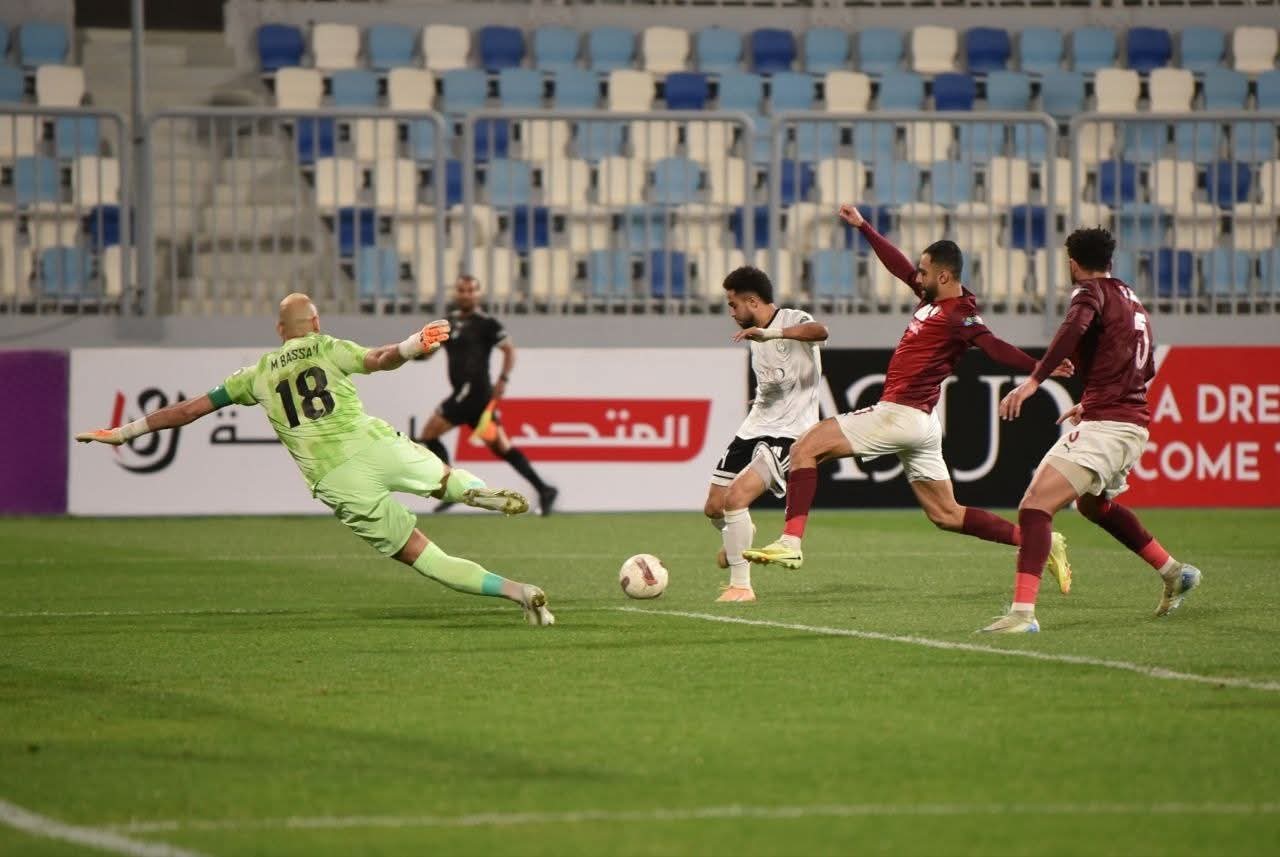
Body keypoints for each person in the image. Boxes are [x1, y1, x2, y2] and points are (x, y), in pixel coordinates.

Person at [75, 293, 555, 627]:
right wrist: (412, 346)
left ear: (279, 331)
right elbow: (380, 358)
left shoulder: (255, 375)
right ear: (317, 324)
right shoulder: (329, 348)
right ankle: (475, 492)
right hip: (372, 443)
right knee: (444, 478)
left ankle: (517, 591)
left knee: (425, 557)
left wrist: (124, 432)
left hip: (335, 477)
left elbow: (189, 410)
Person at [744, 204, 1074, 589]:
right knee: (947, 514)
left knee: (805, 447)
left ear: (944, 276)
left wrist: (1040, 367)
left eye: (924, 271)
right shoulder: (931, 299)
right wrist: (864, 227)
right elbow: (899, 266)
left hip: (900, 414)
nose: (917, 276)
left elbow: (994, 347)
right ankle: (1040, 541)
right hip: (921, 422)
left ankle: (790, 543)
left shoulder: (959, 315)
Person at [984, 227, 1201, 633]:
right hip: (1129, 421)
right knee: (1092, 505)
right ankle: (1174, 572)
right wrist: (1093, 400)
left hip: (1111, 425)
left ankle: (1023, 614)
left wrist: (1034, 381)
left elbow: (1072, 329)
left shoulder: (1089, 292)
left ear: (1072, 263)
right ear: (1110, 261)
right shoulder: (1131, 299)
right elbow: (1145, 368)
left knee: (1034, 507)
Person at [704, 266, 829, 603]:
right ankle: (740, 532)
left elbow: (820, 331)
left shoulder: (792, 319)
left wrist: (771, 334)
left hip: (791, 433)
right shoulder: (752, 336)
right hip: (756, 424)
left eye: (733, 305)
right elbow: (776, 378)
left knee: (736, 499)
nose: (731, 312)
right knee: (714, 507)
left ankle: (741, 587)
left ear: (752, 301)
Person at [417, 274, 558, 515]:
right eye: (462, 290)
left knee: (429, 434)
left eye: (471, 290)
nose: (466, 294)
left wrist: (503, 379)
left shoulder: (487, 323)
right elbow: (429, 353)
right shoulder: (448, 323)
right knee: (501, 447)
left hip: (474, 392)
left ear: (478, 294)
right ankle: (544, 489)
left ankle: (450, 487)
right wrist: (417, 350)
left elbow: (509, 350)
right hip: (469, 395)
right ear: (456, 293)